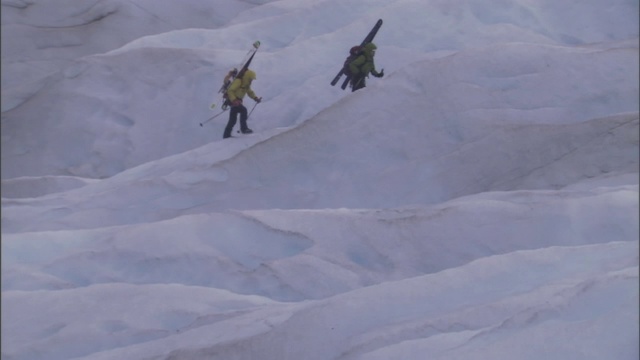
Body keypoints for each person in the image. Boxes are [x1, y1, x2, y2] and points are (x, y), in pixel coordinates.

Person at [223, 68, 262, 138]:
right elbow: (230, 91)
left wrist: (255, 98)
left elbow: (250, 92)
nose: (251, 81)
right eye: (251, 79)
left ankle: (226, 135)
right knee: (243, 110)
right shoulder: (238, 81)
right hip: (233, 101)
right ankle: (244, 129)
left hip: (236, 102)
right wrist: (234, 100)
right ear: (247, 77)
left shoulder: (245, 84)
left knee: (232, 120)